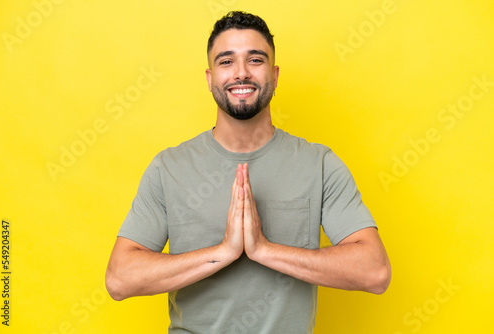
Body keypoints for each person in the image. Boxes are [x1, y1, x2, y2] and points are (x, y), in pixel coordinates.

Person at [105, 11, 391, 333]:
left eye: (255, 60)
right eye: (226, 62)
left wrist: (264, 250)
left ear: (275, 74)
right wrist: (224, 252)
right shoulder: (168, 168)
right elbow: (119, 279)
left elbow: (375, 272)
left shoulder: (319, 164)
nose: (241, 73)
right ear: (210, 77)